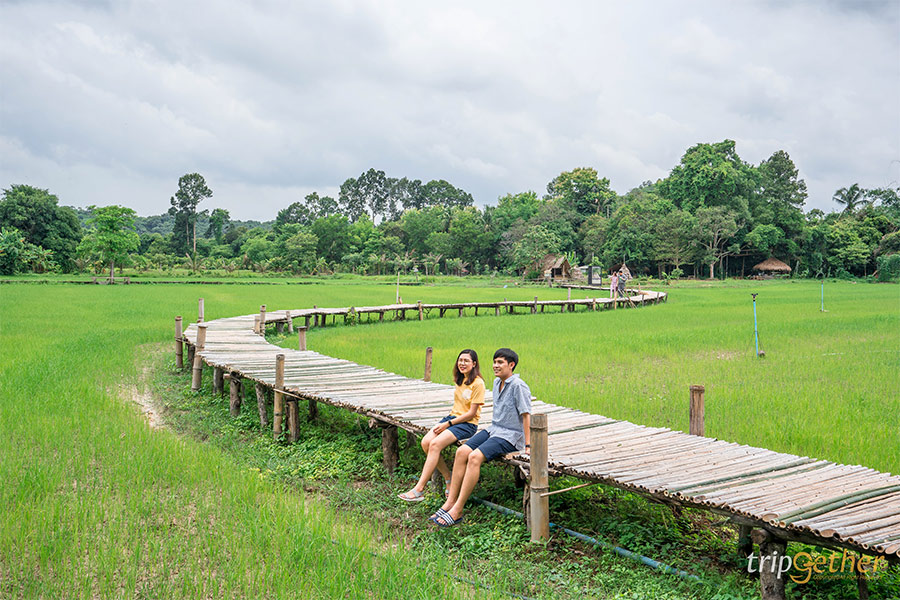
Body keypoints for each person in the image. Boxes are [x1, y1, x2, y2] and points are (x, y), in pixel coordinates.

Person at [431, 348, 531, 527]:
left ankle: (458, 509)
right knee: (462, 452)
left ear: (511, 365)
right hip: (494, 429)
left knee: (474, 457)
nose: (495, 366)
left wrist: (528, 446)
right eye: (494, 362)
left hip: (511, 436)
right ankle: (450, 501)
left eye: (500, 362)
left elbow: (526, 415)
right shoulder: (496, 382)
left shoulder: (518, 386)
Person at [398, 349, 485, 502]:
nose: (462, 363)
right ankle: (448, 477)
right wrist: (449, 421)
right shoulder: (460, 379)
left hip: (467, 424)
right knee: (426, 442)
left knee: (435, 445)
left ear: (474, 364)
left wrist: (448, 424)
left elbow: (472, 414)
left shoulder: (478, 383)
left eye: (466, 361)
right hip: (452, 418)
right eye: (460, 360)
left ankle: (419, 489)